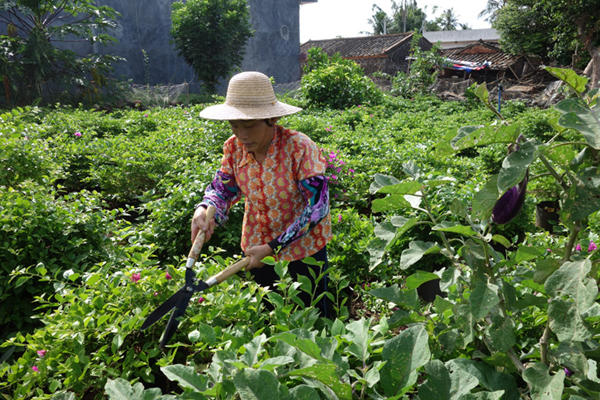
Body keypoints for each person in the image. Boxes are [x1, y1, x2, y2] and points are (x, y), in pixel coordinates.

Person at [191, 71, 332, 317]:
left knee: (312, 315)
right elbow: (224, 187)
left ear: (272, 119)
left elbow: (318, 207)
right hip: (257, 246)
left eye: (248, 125)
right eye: (235, 125)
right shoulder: (233, 147)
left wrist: (273, 246)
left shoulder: (299, 148)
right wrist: (205, 208)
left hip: (303, 249)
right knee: (270, 314)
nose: (241, 134)